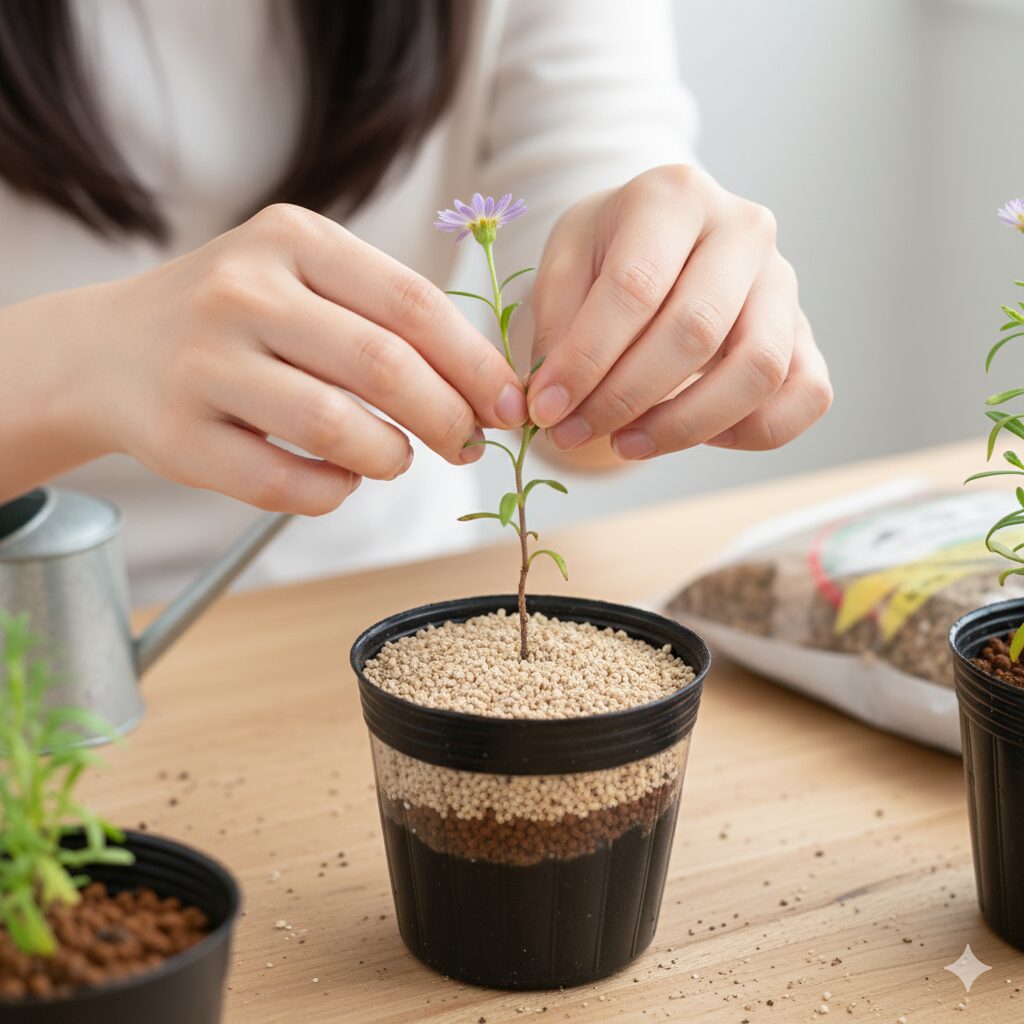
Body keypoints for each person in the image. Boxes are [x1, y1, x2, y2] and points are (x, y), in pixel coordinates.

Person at [0, 0, 831, 605]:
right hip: (41, 650)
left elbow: (581, 415)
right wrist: (76, 363)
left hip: (401, 603)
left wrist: (659, 305)